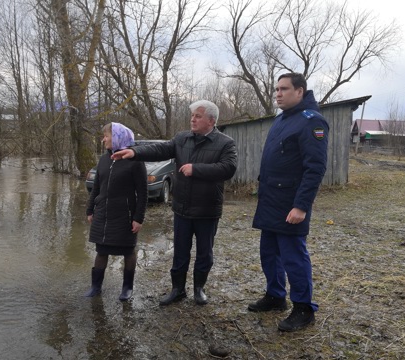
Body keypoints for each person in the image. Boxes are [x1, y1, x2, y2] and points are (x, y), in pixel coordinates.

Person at [112, 100, 237, 306]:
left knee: (204, 254)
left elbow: (228, 168)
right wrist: (135, 153)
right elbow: (160, 150)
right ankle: (177, 290)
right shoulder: (181, 138)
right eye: (192, 115)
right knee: (180, 252)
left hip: (207, 210)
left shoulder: (225, 143)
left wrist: (195, 169)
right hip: (182, 209)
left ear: (211, 120)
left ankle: (199, 289)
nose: (193, 119)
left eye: (198, 116)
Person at [249, 73, 329, 332]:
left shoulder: (311, 122)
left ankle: (304, 308)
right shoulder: (282, 119)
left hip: (290, 204)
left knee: (294, 257)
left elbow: (315, 168)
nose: (278, 94)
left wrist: (301, 206)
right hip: (270, 200)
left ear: (300, 91)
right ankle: (275, 296)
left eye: (284, 89)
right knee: (268, 253)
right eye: (276, 89)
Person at [85, 122, 148, 301]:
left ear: (118, 137)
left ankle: (127, 288)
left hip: (125, 215)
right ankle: (95, 287)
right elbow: (96, 187)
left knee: (128, 251)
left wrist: (138, 218)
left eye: (106, 136)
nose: (103, 139)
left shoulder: (134, 160)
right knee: (101, 250)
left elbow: (142, 192)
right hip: (103, 213)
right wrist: (90, 209)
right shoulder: (104, 159)